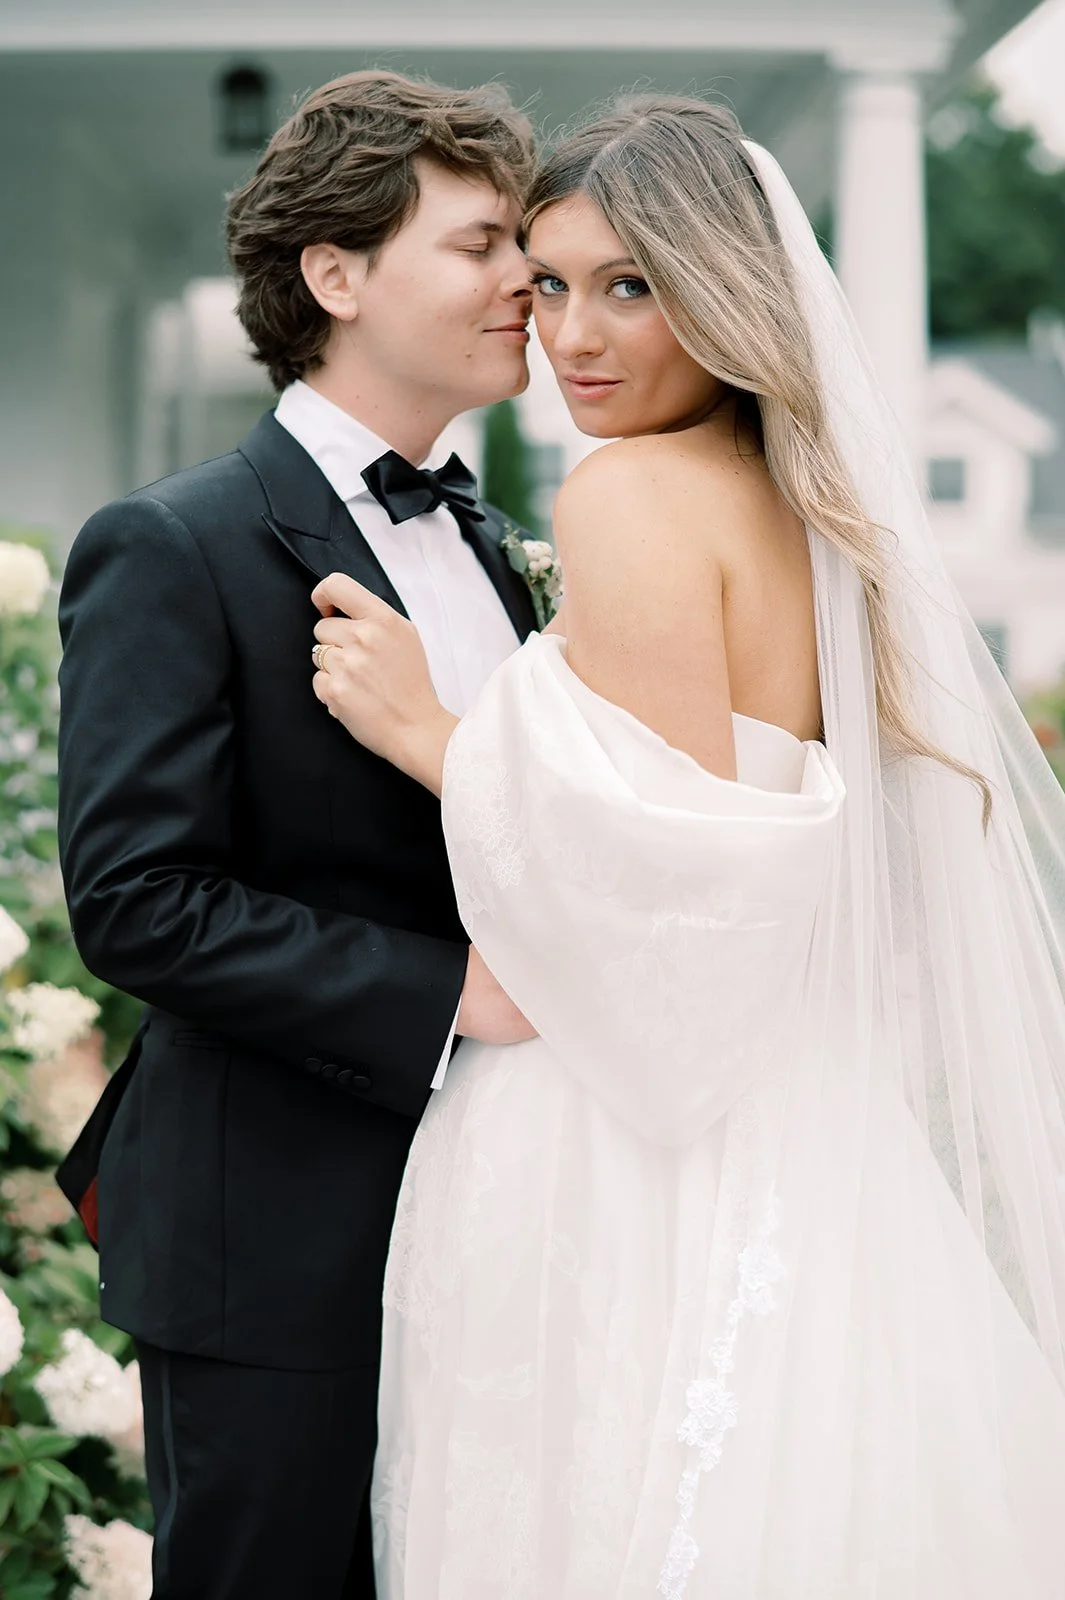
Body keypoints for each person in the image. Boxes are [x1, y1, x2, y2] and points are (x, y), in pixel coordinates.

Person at [311, 96, 1065, 1596]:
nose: (576, 335)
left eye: (632, 286)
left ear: (725, 292)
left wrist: (434, 738)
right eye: (550, 282)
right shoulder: (806, 512)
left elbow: (658, 882)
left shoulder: (631, 495)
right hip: (812, 1118)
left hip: (646, 1146)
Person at [55, 69, 540, 1600]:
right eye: (478, 243)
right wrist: (450, 993)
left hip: (494, 1200)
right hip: (272, 1233)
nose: (526, 275)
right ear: (336, 276)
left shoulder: (488, 540)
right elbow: (138, 902)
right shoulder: (174, 543)